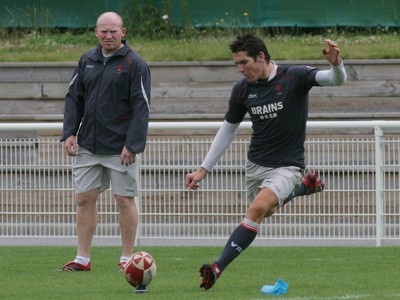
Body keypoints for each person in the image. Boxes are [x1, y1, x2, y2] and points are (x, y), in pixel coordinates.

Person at [185, 33, 347, 290]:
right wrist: (204, 169)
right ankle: (305, 186)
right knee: (266, 210)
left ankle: (217, 267)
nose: (240, 69)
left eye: (244, 62)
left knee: (257, 209)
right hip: (256, 165)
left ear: (261, 57)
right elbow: (228, 128)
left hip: (288, 165)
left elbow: (335, 80)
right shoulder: (242, 89)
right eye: (236, 64)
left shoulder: (295, 76)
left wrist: (336, 64)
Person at [59, 11, 151, 280]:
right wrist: (69, 133)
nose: (108, 35)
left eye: (114, 31)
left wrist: (132, 144)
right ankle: (82, 259)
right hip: (87, 144)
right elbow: (73, 98)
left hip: (120, 147)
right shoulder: (87, 59)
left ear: (123, 32)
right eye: (103, 31)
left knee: (124, 200)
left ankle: (126, 259)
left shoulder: (136, 64)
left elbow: (141, 107)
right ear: (95, 32)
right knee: (84, 198)